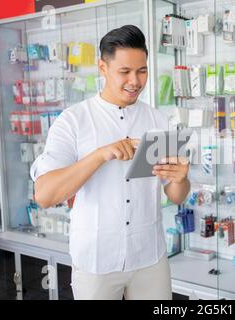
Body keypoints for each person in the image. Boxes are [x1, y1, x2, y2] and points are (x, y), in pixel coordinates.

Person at [30, 25, 191, 300]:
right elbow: (45, 195)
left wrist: (180, 177)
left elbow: (176, 196)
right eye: (124, 72)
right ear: (102, 67)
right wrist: (99, 155)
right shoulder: (73, 121)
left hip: (149, 257)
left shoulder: (158, 121)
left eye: (142, 71)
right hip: (96, 261)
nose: (135, 81)